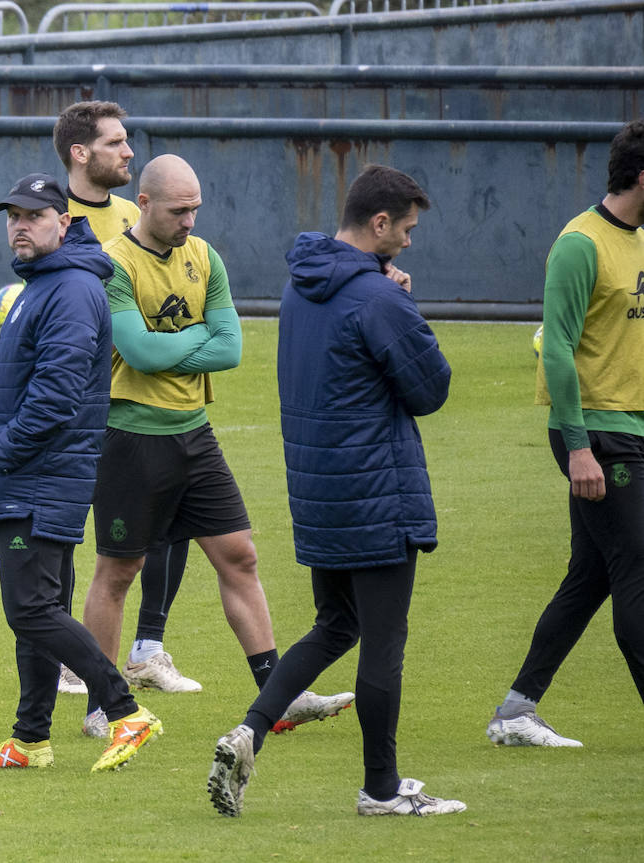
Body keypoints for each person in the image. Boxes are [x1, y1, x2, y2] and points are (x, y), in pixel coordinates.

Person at [208, 164, 464, 817]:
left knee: (336, 623)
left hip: (320, 493)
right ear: (378, 223)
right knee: (382, 640)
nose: (408, 242)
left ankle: (251, 729)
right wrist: (405, 300)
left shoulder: (304, 286)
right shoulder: (379, 298)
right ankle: (382, 789)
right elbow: (430, 387)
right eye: (404, 230)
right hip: (377, 493)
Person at [79, 154, 354, 738]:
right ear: (145, 203)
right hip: (131, 437)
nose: (190, 221)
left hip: (194, 434)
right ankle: (102, 706)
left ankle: (278, 695)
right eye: (179, 210)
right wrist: (194, 336)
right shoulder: (113, 265)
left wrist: (174, 341)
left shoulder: (204, 257)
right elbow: (143, 355)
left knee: (240, 555)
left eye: (196, 209)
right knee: (118, 571)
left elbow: (230, 349)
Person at [0, 173, 161, 772]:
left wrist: (0, 450)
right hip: (38, 473)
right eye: (12, 216)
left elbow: (57, 395)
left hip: (38, 476)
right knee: (39, 611)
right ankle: (29, 741)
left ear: (64, 224)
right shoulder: (47, 284)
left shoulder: (69, 288)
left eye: (34, 215)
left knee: (30, 610)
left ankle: (126, 712)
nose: (20, 225)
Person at [487, 119, 644, 747]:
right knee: (637, 562)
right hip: (596, 433)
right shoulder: (580, 244)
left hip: (631, 426)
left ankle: (516, 711)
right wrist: (578, 447)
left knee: (593, 574)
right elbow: (557, 350)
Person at [53, 100, 197, 696]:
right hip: (82, 406)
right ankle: (68, 655)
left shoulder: (137, 213)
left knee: (170, 524)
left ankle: (148, 648)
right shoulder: (45, 215)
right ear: (81, 153)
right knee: (66, 529)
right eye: (116, 142)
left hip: (151, 399)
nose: (129, 152)